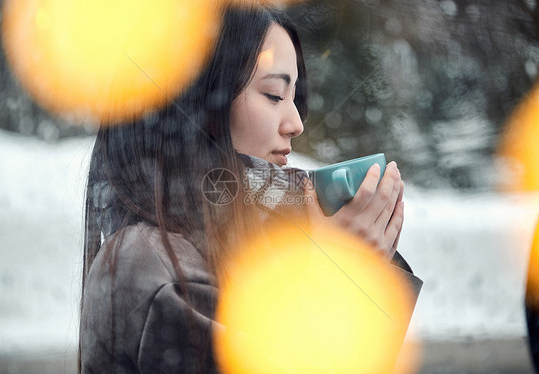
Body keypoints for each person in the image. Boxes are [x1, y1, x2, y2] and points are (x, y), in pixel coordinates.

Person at [79, 4, 422, 374]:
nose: (295, 124)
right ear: (199, 103)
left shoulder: (251, 248)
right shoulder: (148, 262)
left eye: (295, 99)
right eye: (274, 95)